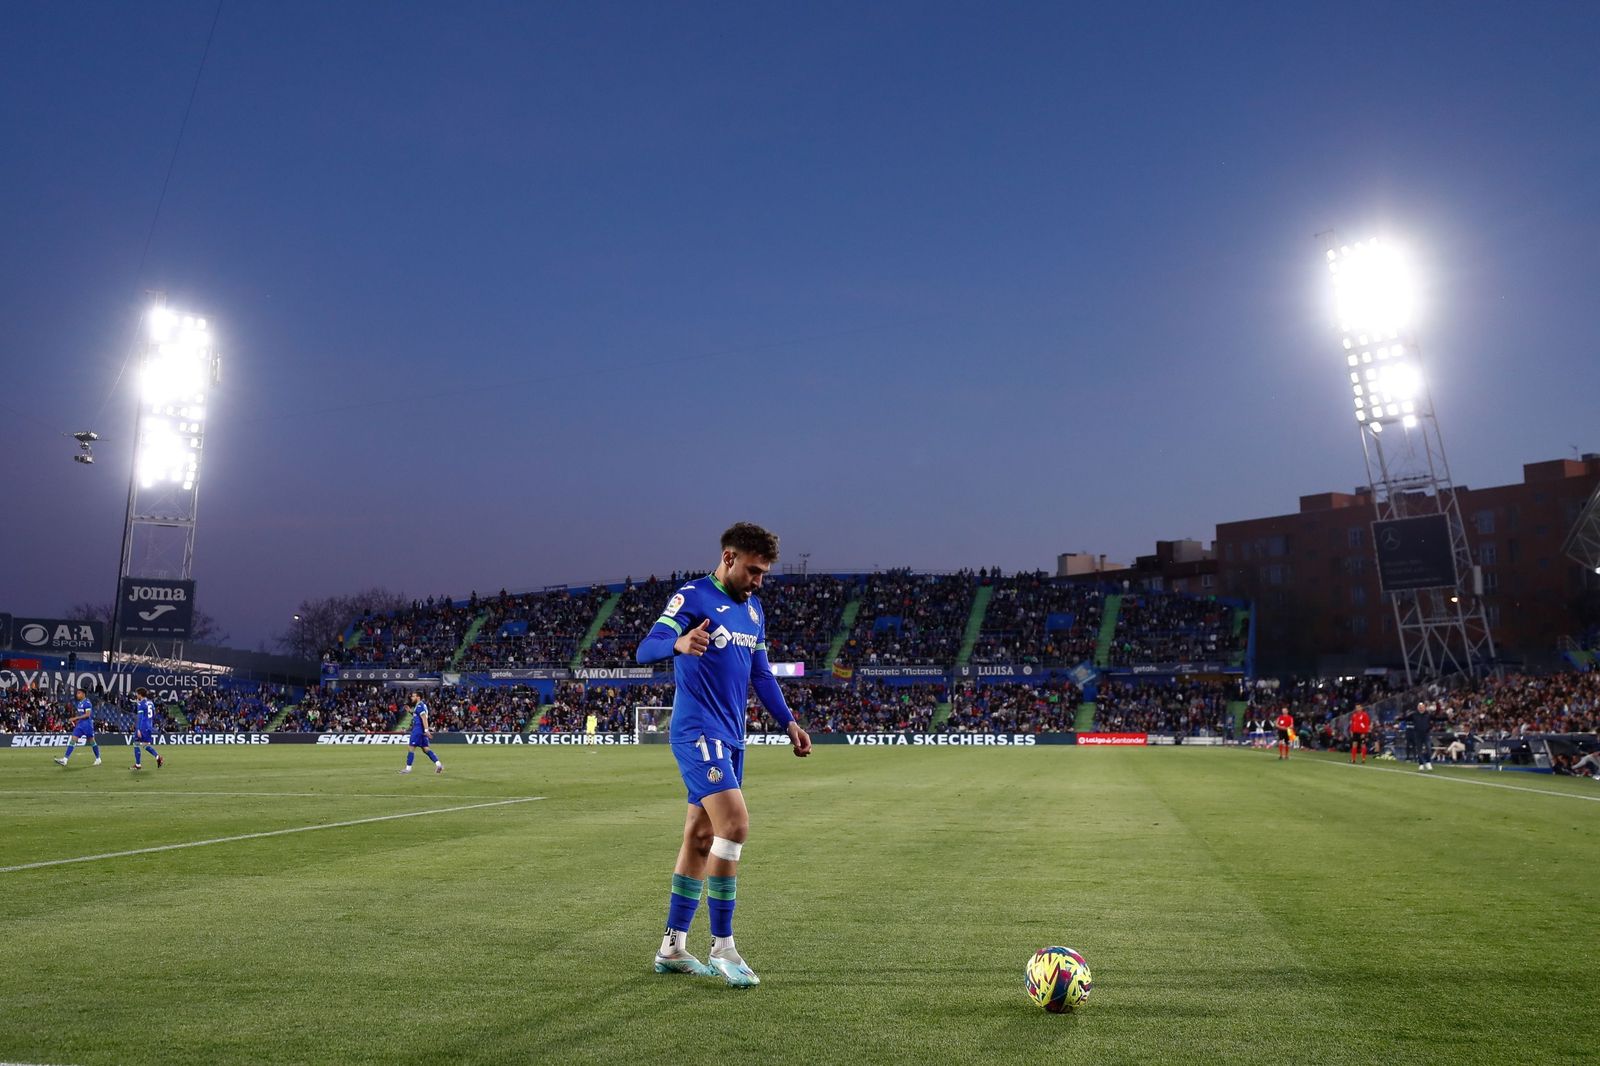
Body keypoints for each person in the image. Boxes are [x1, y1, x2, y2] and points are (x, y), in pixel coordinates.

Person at [635, 522, 812, 987]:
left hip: (733, 738)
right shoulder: (692, 596)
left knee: (699, 836)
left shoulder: (753, 610)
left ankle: (672, 947)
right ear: (729, 558)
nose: (759, 581)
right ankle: (723, 947)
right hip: (697, 731)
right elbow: (645, 648)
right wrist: (678, 642)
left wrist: (789, 722)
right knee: (734, 825)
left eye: (764, 573)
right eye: (753, 570)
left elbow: (761, 675)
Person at [53, 688, 102, 767]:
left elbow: (87, 715)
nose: (77, 695)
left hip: (87, 725)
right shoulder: (79, 703)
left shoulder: (87, 703)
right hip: (80, 725)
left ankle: (98, 759)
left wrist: (75, 718)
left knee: (92, 741)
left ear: (83, 694)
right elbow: (81, 714)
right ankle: (65, 760)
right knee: (73, 740)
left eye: (79, 693)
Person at [400, 691, 443, 774]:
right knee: (425, 749)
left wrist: (427, 730)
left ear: (418, 697)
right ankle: (438, 764)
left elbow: (424, 718)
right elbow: (418, 716)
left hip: (418, 729)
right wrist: (410, 711)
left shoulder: (420, 706)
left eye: (413, 696)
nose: (412, 698)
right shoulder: (420, 706)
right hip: (421, 730)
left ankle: (408, 769)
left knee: (411, 747)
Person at [130, 688, 163, 770]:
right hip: (149, 726)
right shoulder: (151, 703)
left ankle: (138, 765)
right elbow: (153, 714)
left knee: (136, 743)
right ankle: (157, 757)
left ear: (140, 694)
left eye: (137, 694)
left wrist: (138, 729)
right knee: (145, 745)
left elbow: (140, 717)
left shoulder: (141, 704)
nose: (136, 695)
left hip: (142, 726)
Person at [1408, 702, 1434, 772]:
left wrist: (1429, 728)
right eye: (1419, 707)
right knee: (1419, 750)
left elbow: (1434, 720)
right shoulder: (1414, 715)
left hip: (1426, 734)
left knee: (1428, 748)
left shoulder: (1428, 715)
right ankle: (1421, 764)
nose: (1421, 708)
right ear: (1417, 708)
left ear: (1424, 708)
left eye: (1422, 707)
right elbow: (1406, 719)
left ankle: (1428, 762)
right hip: (1417, 734)